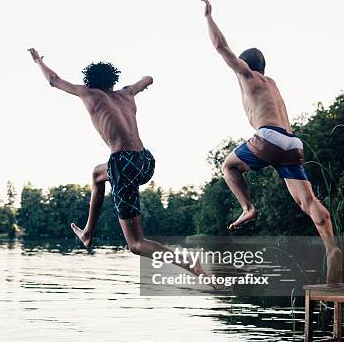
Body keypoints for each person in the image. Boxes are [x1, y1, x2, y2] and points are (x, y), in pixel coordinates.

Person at [27, 48, 211, 281]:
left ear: (90, 82)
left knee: (135, 244)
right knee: (97, 174)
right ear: (112, 81)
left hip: (123, 164)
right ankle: (87, 232)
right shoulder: (127, 93)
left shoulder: (89, 94)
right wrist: (145, 82)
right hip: (145, 161)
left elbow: (54, 80)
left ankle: (188, 263)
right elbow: (147, 79)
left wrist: (38, 62)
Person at [200, 0, 342, 283]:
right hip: (292, 142)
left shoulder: (247, 75)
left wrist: (209, 16)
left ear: (248, 66)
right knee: (308, 201)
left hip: (268, 137)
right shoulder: (273, 83)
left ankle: (248, 208)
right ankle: (331, 247)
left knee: (229, 166)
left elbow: (220, 48)